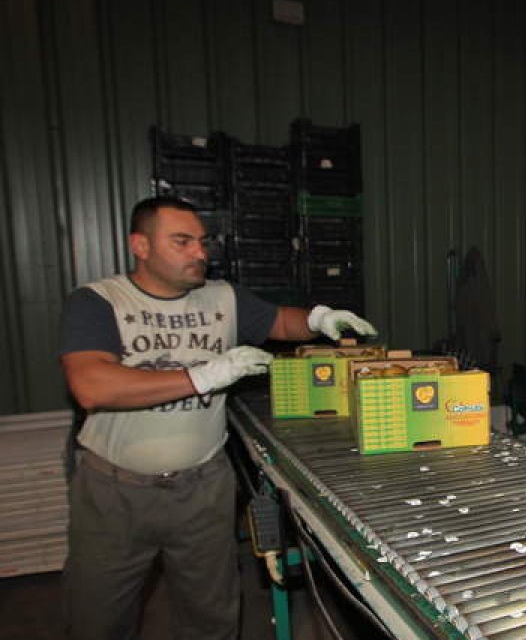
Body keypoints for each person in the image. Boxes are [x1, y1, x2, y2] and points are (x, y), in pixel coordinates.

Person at [58, 196, 377, 640]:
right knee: (98, 620)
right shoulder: (98, 301)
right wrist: (205, 376)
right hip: (115, 493)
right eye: (182, 241)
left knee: (211, 617)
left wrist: (321, 318)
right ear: (140, 245)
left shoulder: (222, 296)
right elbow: (92, 386)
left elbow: (282, 323)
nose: (200, 253)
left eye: (202, 242)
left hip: (202, 488)